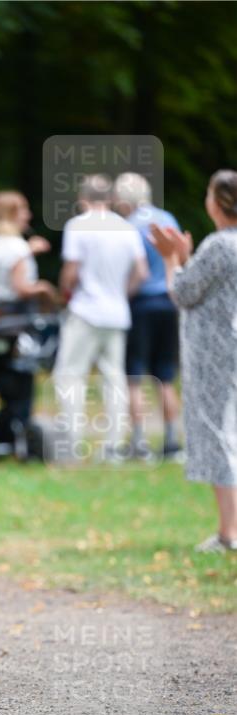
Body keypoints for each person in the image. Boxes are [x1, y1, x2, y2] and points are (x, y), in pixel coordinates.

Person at [150, 169, 237, 553]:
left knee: (219, 436)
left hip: (215, 354)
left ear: (217, 202)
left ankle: (229, 531)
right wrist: (186, 257)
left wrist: (171, 259)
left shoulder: (219, 245)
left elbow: (183, 292)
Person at [53, 174, 148, 461]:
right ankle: (113, 446)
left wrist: (65, 293)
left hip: (85, 310)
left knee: (70, 376)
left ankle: (72, 443)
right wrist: (122, 294)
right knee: (114, 379)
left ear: (82, 199)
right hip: (117, 313)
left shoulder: (77, 226)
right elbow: (141, 272)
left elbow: (71, 271)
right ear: (110, 199)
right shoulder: (126, 228)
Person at [113, 173, 183, 461]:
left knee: (135, 376)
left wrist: (122, 295)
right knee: (165, 376)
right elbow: (179, 258)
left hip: (140, 305)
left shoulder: (127, 227)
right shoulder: (168, 219)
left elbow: (132, 271)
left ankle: (139, 442)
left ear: (124, 200)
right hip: (169, 301)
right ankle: (172, 441)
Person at [0, 190, 57, 317]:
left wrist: (28, 251)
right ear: (10, 214)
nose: (29, 215)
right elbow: (22, 289)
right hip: (19, 314)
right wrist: (45, 288)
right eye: (24, 210)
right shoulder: (17, 246)